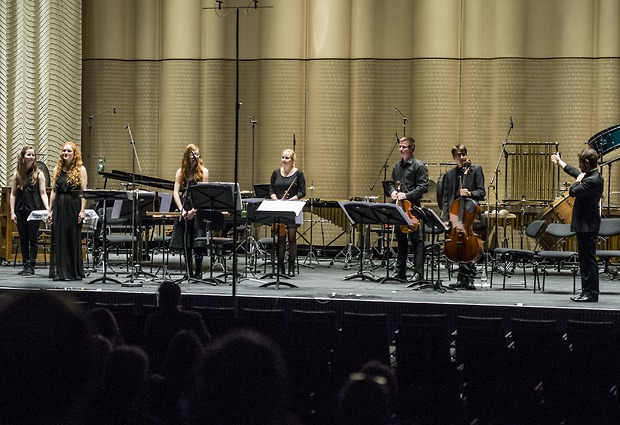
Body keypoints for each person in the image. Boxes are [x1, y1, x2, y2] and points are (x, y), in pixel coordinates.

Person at [551, 148, 603, 302]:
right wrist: (560, 163)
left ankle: (591, 293)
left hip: (588, 226)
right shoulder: (591, 175)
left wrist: (577, 180)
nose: (579, 165)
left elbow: (573, 191)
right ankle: (587, 291)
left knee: (588, 261)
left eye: (581, 163)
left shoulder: (592, 180)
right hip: (586, 225)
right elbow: (576, 172)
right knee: (585, 260)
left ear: (587, 162)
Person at [441, 144, 486, 290]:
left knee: (469, 245)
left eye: (464, 154)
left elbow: (482, 192)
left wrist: (470, 193)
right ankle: (461, 279)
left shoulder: (476, 170)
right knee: (458, 245)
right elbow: (447, 198)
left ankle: (470, 278)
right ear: (454, 157)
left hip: (470, 214)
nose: (462, 157)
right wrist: (446, 217)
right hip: (455, 215)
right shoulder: (449, 175)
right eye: (459, 155)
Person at [144, 280, 210, 373]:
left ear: (160, 299)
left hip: (159, 369)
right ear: (179, 298)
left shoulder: (152, 320)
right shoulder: (193, 318)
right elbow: (205, 341)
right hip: (190, 370)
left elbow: (148, 347)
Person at [388, 137, 428, 282]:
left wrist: (407, 195)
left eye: (404, 147)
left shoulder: (419, 166)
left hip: (413, 208)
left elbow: (423, 187)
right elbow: (391, 183)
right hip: (399, 208)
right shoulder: (397, 166)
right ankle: (400, 272)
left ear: (412, 148)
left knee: (416, 240)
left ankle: (418, 273)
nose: (401, 149)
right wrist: (392, 191)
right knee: (400, 240)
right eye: (400, 147)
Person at [47, 141, 88, 281]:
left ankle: (73, 272)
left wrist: (82, 211)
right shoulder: (57, 169)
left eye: (69, 151)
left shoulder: (81, 169)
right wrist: (49, 210)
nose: (66, 153)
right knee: (60, 238)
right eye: (64, 151)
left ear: (74, 153)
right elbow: (53, 191)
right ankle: (62, 271)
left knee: (72, 238)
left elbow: (83, 193)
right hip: (59, 205)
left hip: (73, 205)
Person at [170, 144, 209, 279]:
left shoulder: (204, 172)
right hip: (184, 209)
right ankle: (188, 270)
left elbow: (204, 195)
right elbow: (176, 192)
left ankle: (198, 271)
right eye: (192, 154)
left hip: (197, 209)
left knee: (198, 241)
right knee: (186, 241)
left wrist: (194, 211)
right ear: (187, 156)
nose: (195, 157)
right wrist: (182, 210)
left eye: (197, 154)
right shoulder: (180, 172)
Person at [9, 146, 49, 276]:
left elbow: (43, 193)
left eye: (33, 155)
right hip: (20, 210)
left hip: (34, 210)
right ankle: (25, 265)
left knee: (33, 238)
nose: (31, 157)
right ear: (23, 157)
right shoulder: (17, 174)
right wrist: (12, 212)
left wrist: (48, 209)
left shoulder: (39, 174)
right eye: (29, 155)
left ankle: (31, 265)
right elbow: (13, 194)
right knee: (23, 239)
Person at [270, 148, 306, 276]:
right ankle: (280, 266)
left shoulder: (298, 174)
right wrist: (276, 199)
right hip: (279, 207)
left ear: (293, 160)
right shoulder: (276, 173)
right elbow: (271, 189)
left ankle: (291, 266)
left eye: (287, 158)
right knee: (280, 239)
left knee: (291, 239)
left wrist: (290, 200)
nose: (284, 160)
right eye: (283, 157)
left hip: (292, 208)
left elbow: (303, 191)